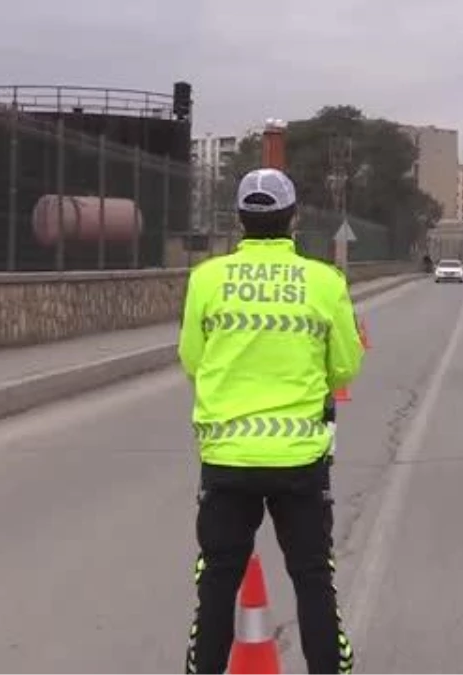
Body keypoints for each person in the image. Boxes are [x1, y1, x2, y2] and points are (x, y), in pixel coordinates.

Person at [178, 167, 363, 675]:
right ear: (294, 220)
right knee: (311, 579)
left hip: (225, 459)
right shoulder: (325, 283)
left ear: (239, 220)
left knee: (217, 581)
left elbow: (192, 359)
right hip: (300, 461)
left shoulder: (206, 279)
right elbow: (345, 366)